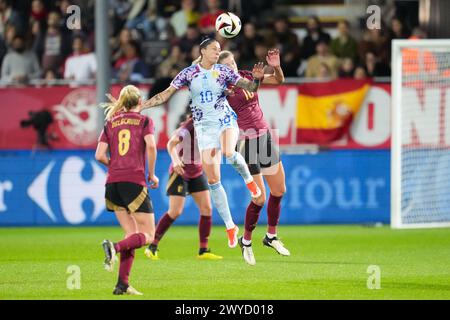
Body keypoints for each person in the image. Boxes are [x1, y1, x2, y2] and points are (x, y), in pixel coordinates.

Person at [140, 38, 263, 249]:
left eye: (219, 49)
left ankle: (250, 182)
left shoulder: (224, 72)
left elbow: (250, 87)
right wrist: (142, 106)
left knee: (228, 152)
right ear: (203, 51)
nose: (218, 52)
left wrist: (258, 80)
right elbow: (165, 95)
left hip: (225, 119)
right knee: (214, 180)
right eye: (214, 49)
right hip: (204, 128)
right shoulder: (188, 73)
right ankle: (230, 226)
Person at [218, 49, 290, 266]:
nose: (232, 67)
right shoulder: (222, 90)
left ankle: (271, 236)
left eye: (232, 63)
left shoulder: (247, 75)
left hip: (264, 137)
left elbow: (278, 80)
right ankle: (246, 242)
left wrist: (276, 66)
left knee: (279, 190)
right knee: (259, 198)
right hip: (245, 141)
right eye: (227, 66)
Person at [96, 85, 159, 296]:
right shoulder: (144, 121)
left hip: (112, 183)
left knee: (131, 234)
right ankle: (113, 247)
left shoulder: (110, 122)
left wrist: (114, 166)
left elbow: (99, 155)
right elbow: (151, 146)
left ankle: (122, 284)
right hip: (133, 181)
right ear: (140, 102)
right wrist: (151, 174)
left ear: (122, 102)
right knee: (149, 235)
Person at [145, 114, 222, 261]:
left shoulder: (214, 126)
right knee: (175, 211)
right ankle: (152, 246)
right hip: (180, 171)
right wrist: (175, 161)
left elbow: (215, 151)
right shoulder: (189, 126)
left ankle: (203, 250)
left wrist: (214, 171)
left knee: (207, 208)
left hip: (197, 172)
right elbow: (170, 144)